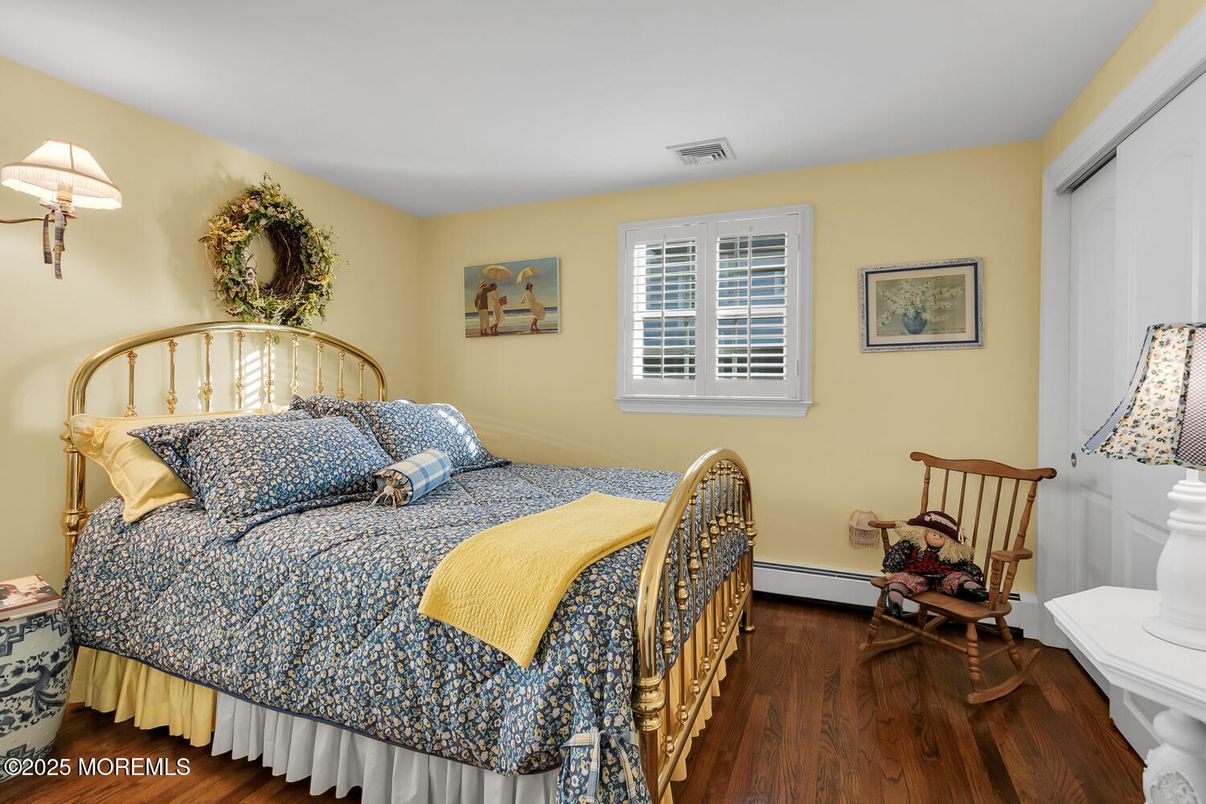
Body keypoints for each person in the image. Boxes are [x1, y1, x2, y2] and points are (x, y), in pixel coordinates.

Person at [879, 510, 989, 618]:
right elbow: (898, 553)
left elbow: (962, 564)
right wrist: (891, 568)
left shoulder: (947, 553)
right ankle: (894, 599)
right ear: (924, 532)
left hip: (942, 576)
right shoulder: (912, 544)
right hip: (916, 572)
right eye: (934, 534)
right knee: (903, 579)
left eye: (941, 537)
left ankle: (972, 589)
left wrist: (974, 574)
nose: (936, 537)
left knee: (957, 577)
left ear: (949, 543)